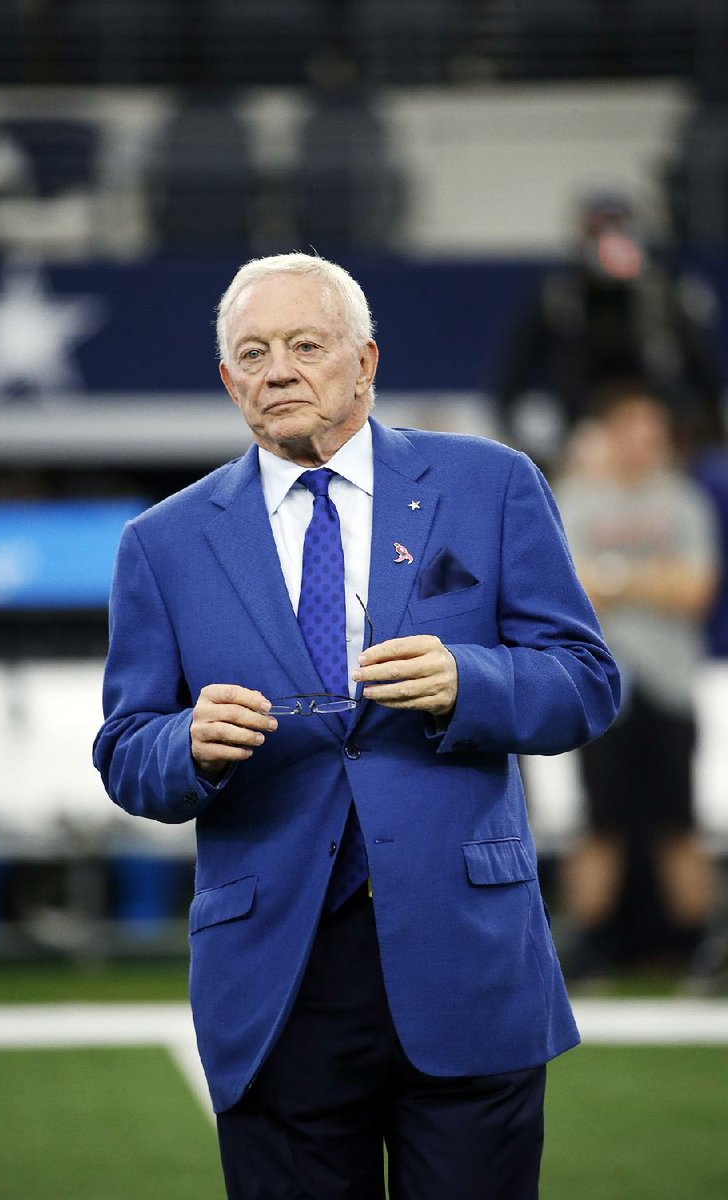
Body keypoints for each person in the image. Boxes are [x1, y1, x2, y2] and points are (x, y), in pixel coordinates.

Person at [93, 253, 620, 1199]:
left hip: (467, 956)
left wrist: (472, 681)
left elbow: (586, 683)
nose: (278, 370)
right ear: (228, 382)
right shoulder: (160, 543)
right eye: (252, 354)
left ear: (365, 362)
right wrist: (186, 745)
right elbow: (128, 751)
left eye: (306, 345)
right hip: (278, 982)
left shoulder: (491, 484)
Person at [555, 381, 719, 983]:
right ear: (610, 432)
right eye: (633, 429)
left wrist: (616, 579)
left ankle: (699, 947)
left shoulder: (685, 502)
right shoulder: (576, 499)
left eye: (654, 431)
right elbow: (569, 592)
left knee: (681, 822)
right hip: (602, 687)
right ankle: (589, 943)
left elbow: (697, 591)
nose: (644, 442)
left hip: (670, 686)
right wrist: (653, 582)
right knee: (599, 822)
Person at [496, 189, 724, 471]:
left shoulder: (665, 291)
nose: (610, 238)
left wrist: (708, 430)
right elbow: (514, 371)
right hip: (583, 426)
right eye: (598, 228)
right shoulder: (560, 296)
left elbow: (701, 365)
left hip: (656, 423)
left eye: (619, 225)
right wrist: (524, 433)